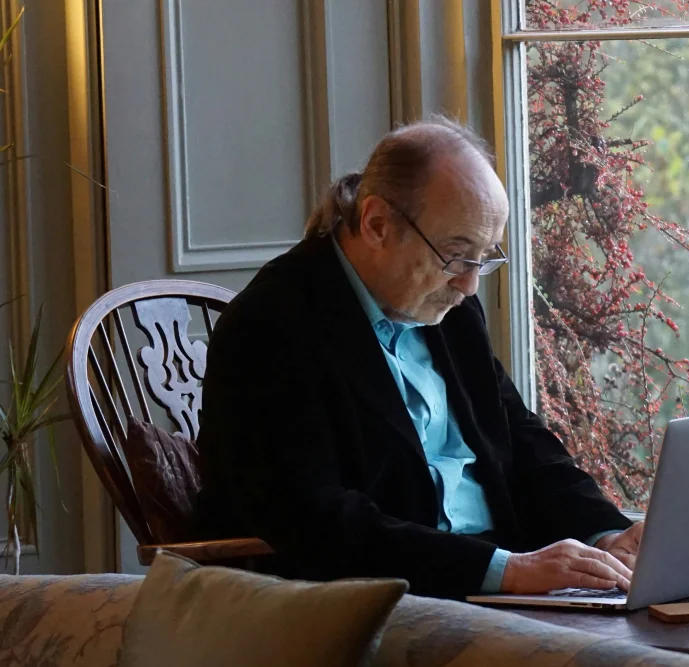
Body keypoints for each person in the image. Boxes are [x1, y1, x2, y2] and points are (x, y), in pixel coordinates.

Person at [196, 119, 643, 600]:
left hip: (501, 584)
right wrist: (505, 571)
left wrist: (606, 533)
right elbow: (317, 522)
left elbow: (517, 436)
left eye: (483, 257)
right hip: (383, 601)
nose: (470, 284)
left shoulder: (447, 304)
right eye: (455, 255)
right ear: (377, 225)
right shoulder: (269, 328)